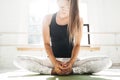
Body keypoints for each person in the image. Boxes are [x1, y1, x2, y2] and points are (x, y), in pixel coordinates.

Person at [14, 0, 112, 75]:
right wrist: (55, 63)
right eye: (62, 6)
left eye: (68, 6)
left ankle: (72, 71)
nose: (64, 9)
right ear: (58, 3)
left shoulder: (78, 20)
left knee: (107, 61)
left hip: (73, 61)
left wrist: (71, 63)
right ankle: (52, 71)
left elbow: (77, 44)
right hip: (51, 61)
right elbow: (47, 44)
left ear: (72, 6)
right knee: (18, 59)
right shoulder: (47, 18)